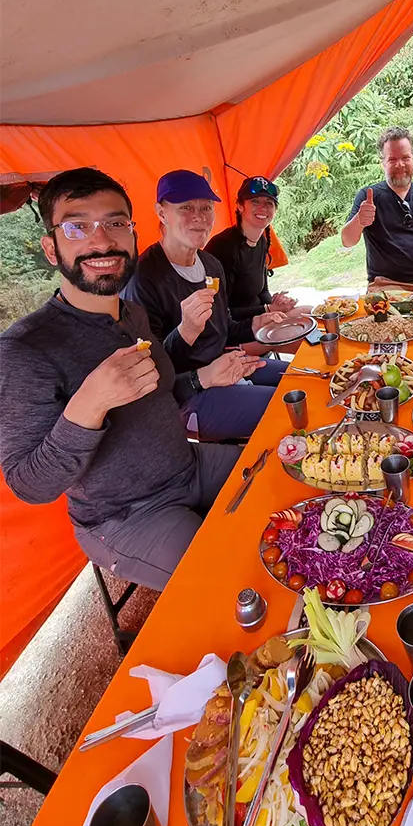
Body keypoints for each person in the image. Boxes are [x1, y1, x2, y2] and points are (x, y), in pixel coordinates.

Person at [0, 168, 263, 590]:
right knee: (235, 582)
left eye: (116, 223)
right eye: (77, 225)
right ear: (51, 248)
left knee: (285, 475)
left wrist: (203, 379)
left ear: (134, 233)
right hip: (125, 515)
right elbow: (30, 484)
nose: (102, 240)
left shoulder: (131, 315)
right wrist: (89, 405)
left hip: (189, 466)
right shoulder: (25, 349)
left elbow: (161, 394)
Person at [123, 170, 290, 442]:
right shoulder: (143, 279)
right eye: (186, 207)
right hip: (187, 396)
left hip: (227, 366)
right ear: (161, 213)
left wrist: (255, 324)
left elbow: (224, 329)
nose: (199, 217)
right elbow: (149, 372)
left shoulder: (211, 266)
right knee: (290, 406)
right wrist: (186, 331)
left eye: (206, 208)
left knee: (302, 381)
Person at [341, 127, 413, 292]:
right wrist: (359, 221)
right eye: (392, 159)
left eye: (405, 157)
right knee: (395, 318)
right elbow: (347, 241)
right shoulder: (368, 196)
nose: (400, 165)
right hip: (385, 285)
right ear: (382, 163)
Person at [205, 175, 306, 320]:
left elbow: (262, 291)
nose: (262, 208)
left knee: (309, 312)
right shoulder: (223, 247)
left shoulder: (261, 242)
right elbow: (219, 313)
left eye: (269, 203)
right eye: (255, 201)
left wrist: (275, 303)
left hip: (260, 317)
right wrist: (268, 309)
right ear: (240, 206)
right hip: (235, 328)